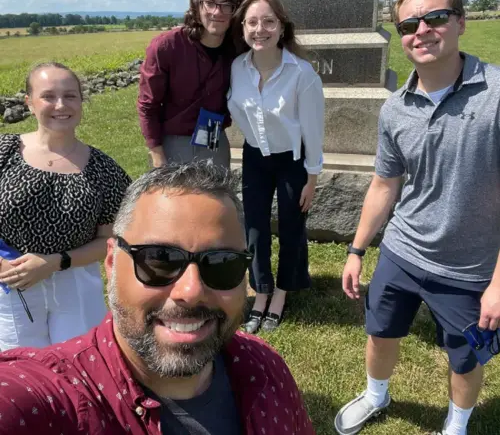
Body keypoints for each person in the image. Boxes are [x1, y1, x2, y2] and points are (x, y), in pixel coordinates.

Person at [0, 162, 315, 435]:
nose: (191, 292)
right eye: (159, 259)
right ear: (111, 263)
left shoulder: (265, 368)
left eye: (221, 263)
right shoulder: (48, 397)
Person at [334, 0, 500, 435]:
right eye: (409, 25)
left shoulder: (498, 96)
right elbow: (385, 185)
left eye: (436, 17)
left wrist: (499, 284)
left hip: (469, 268)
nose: (422, 30)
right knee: (380, 331)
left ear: (461, 22)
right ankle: (375, 396)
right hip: (402, 252)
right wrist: (356, 249)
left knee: (464, 357)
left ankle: (457, 424)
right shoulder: (395, 108)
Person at [0, 62, 131, 351]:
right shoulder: (4, 152)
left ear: (81, 101)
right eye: (48, 96)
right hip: (10, 284)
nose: (61, 104)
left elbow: (111, 239)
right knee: (17, 371)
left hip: (75, 284)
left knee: (80, 364)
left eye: (70, 95)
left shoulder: (103, 170)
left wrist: (53, 262)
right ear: (29, 103)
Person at [228, 0, 324, 333]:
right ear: (243, 28)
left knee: (291, 227)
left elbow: (313, 129)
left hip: (292, 160)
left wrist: (312, 177)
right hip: (255, 157)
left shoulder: (302, 74)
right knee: (254, 229)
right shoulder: (237, 69)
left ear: (281, 27)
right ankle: (261, 290)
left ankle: (282, 292)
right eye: (252, 22)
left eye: (268, 21)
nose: (260, 29)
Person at [137, 0, 245, 169]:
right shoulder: (167, 46)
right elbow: (147, 105)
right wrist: (157, 154)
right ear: (197, 6)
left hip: (215, 141)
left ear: (234, 9)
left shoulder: (237, 49)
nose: (217, 12)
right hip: (173, 144)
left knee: (217, 200)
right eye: (210, 3)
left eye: (226, 4)